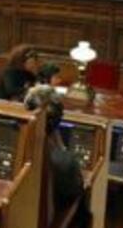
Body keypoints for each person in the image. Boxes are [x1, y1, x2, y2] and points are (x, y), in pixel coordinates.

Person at [23, 85, 88, 224]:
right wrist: (63, 150)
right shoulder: (65, 161)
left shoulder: (20, 150)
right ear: (58, 119)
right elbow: (75, 192)